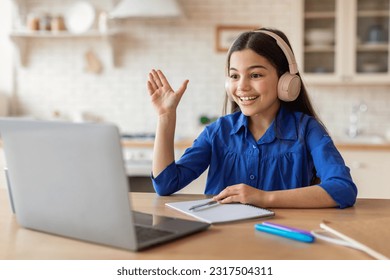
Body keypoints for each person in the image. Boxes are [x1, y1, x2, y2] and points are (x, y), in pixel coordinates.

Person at [147, 27, 357, 209]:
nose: (242, 86)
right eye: (234, 76)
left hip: (282, 243)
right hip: (222, 242)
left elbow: (343, 188)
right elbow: (166, 184)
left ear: (286, 80)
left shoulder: (307, 130)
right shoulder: (217, 132)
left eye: (255, 75)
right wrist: (166, 117)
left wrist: (264, 198)